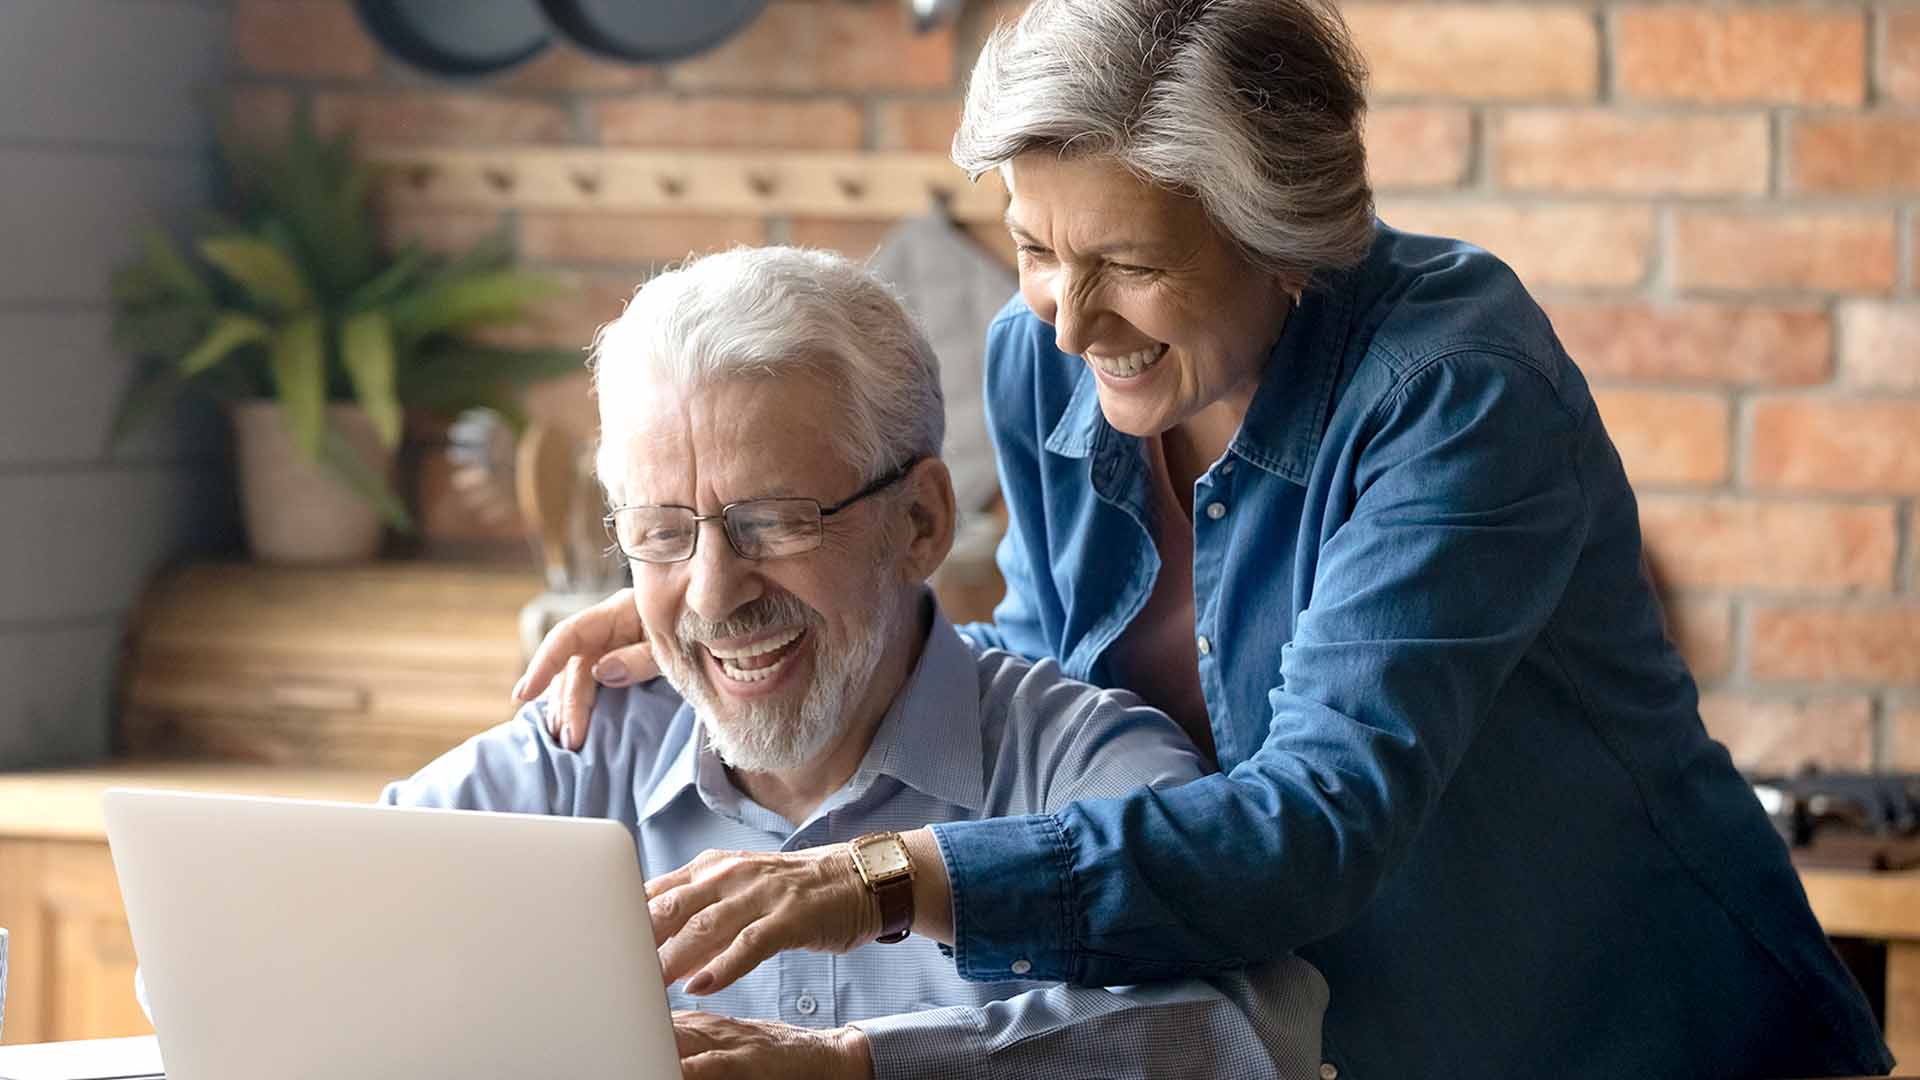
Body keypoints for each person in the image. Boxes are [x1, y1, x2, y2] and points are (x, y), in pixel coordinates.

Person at [510, 2, 1892, 1076]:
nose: (1068, 318)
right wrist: (768, 591)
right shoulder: (1041, 363)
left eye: (1127, 263)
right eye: (1034, 247)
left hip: (1622, 1035)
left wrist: (873, 881)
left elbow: (1318, 819)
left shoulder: (1451, 388)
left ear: (1281, 232)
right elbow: (1040, 676)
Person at [386, 246, 1328, 1080]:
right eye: (663, 534)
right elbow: (331, 916)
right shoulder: (572, 756)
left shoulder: (1078, 767)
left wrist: (865, 1069)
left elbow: (1249, 1038)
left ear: (920, 522)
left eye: (772, 523)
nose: (713, 595)